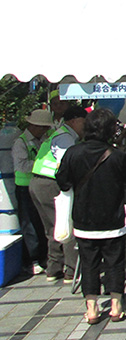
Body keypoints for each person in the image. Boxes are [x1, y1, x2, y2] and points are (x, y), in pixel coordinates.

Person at [56, 109, 126, 324]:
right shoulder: (118, 156)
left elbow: (63, 182)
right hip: (112, 219)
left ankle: (92, 308)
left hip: (84, 220)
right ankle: (116, 305)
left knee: (89, 263)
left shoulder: (73, 153)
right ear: (111, 130)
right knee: (115, 262)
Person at [30, 105, 86, 283]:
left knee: (52, 227)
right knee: (65, 223)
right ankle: (71, 270)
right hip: (51, 184)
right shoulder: (65, 138)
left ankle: (53, 268)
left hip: (39, 182)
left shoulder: (59, 134)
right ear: (74, 120)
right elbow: (67, 165)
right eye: (84, 121)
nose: (85, 125)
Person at [12, 109, 52, 275]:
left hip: (39, 185)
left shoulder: (43, 139)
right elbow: (21, 166)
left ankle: (43, 256)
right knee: (29, 224)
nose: (44, 131)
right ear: (33, 125)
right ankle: (32, 259)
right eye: (42, 127)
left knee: (41, 222)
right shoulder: (20, 142)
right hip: (24, 187)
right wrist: (41, 164)